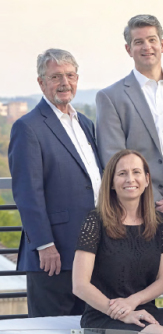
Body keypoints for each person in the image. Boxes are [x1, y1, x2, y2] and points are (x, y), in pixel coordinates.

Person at [96, 14, 163, 310]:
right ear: (128, 49)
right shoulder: (111, 97)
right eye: (138, 41)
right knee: (131, 308)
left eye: (152, 40)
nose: (146, 47)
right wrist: (153, 201)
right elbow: (113, 159)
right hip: (131, 220)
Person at [8, 49, 102, 317]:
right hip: (54, 255)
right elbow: (27, 194)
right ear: (41, 82)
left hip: (91, 252)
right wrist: (44, 245)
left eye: (70, 75)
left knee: (89, 331)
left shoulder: (85, 123)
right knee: (52, 333)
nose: (65, 82)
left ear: (77, 78)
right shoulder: (28, 127)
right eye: (56, 76)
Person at [72, 149, 163, 334]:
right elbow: (80, 285)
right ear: (111, 182)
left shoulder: (158, 222)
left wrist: (132, 302)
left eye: (136, 172)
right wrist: (122, 312)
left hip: (142, 308)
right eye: (122, 173)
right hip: (103, 314)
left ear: (146, 180)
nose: (130, 179)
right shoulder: (95, 221)